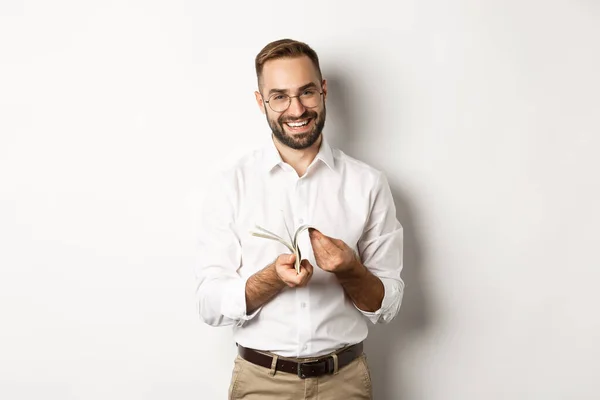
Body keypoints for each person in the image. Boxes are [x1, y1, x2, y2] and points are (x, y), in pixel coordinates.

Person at [195, 38, 404, 400]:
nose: (296, 110)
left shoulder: (368, 184)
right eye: (279, 96)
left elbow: (387, 306)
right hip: (261, 383)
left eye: (306, 92)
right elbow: (210, 304)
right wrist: (269, 280)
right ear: (261, 102)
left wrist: (349, 269)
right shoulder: (232, 185)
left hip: (345, 382)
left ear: (323, 91)